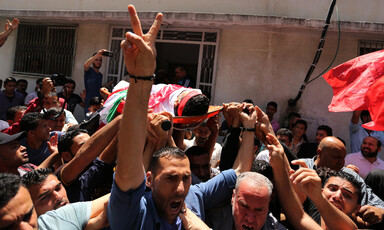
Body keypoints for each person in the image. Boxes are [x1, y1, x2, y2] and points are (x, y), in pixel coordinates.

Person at [107, 6, 254, 229]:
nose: (180, 188)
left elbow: (240, 172)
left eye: (186, 177)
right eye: (170, 178)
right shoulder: (133, 212)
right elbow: (128, 166)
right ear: (148, 179)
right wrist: (141, 78)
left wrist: (249, 127)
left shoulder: (195, 194)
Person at [301, 136, 384, 226]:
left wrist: (381, 211)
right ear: (319, 153)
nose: (341, 163)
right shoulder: (299, 167)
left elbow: (375, 203)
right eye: (336, 157)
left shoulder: (350, 174)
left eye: (347, 195)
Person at [0, 172, 109, 230]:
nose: (25, 228)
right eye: (8, 227)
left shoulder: (59, 218)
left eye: (28, 216)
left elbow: (119, 195)